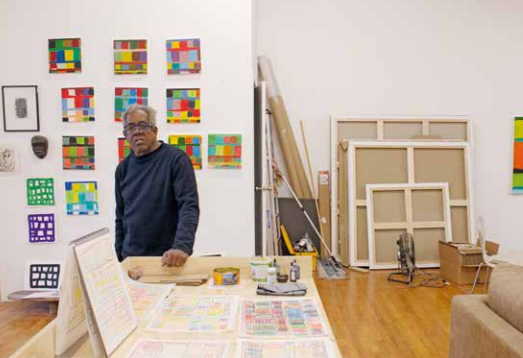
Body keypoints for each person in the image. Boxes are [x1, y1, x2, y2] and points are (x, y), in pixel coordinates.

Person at [115, 104, 199, 267]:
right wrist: (120, 257)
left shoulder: (176, 161)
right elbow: (121, 216)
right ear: (126, 135)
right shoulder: (122, 170)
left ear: (155, 130)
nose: (137, 131)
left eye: (143, 125)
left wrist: (181, 247)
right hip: (132, 262)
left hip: (169, 261)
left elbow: (188, 206)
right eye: (131, 127)